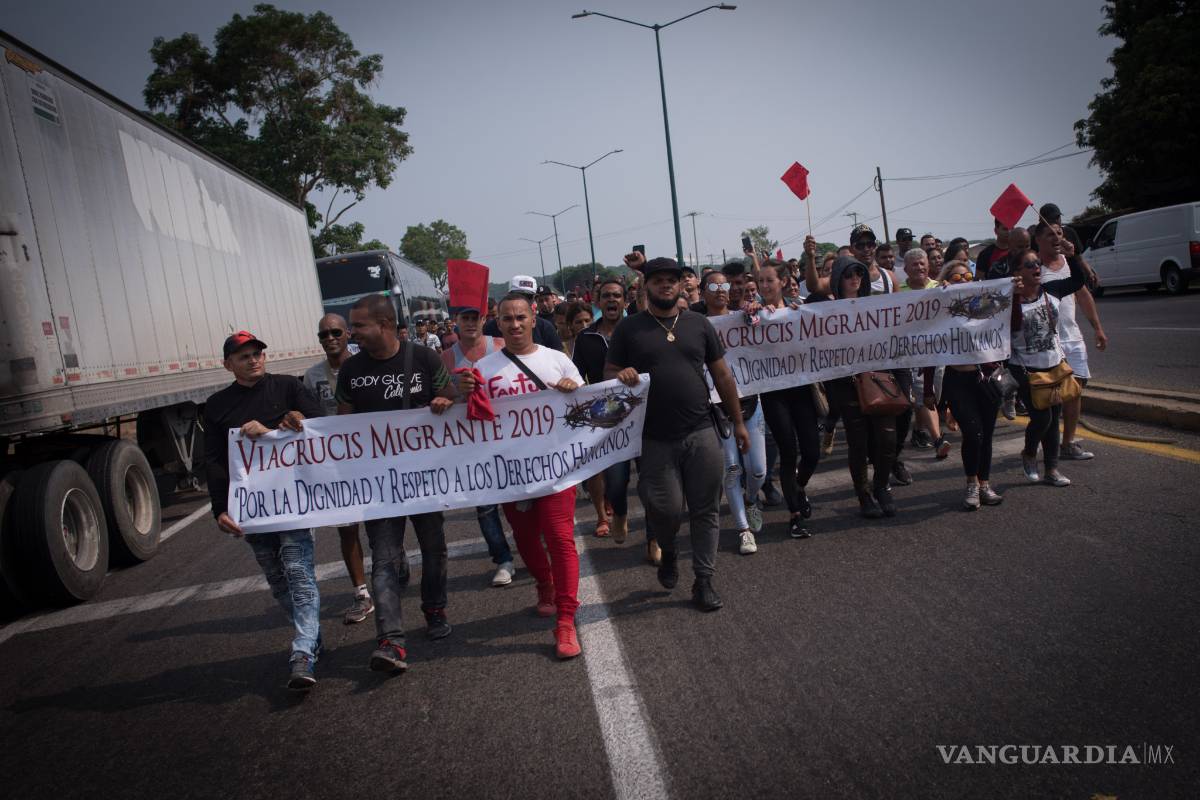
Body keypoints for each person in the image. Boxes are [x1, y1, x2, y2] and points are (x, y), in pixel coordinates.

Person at [606, 254, 749, 612]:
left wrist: (739, 422)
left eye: (672, 279)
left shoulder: (699, 324)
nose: (666, 284)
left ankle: (704, 581)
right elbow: (608, 375)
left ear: (680, 284)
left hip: (701, 431)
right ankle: (668, 551)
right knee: (665, 509)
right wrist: (620, 374)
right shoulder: (629, 328)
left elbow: (722, 376)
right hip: (653, 438)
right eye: (658, 280)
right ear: (646, 286)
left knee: (706, 509)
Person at [337, 294, 457, 674]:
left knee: (434, 549)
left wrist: (443, 399)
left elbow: (451, 394)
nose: (351, 333)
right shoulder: (351, 370)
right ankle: (391, 641)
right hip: (378, 486)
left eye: (358, 326)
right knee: (384, 561)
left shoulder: (423, 358)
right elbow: (341, 426)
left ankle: (434, 610)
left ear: (385, 325)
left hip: (425, 478)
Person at [465, 292, 587, 659]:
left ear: (534, 318)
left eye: (521, 317)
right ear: (497, 323)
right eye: (507, 319)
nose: (515, 325)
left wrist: (574, 388)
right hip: (510, 474)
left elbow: (585, 405)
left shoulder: (557, 360)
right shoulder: (484, 370)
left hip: (555, 469)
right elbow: (469, 424)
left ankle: (565, 621)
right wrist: (457, 395)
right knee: (526, 539)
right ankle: (544, 583)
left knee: (560, 538)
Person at [204, 331, 324, 691]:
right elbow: (212, 459)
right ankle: (312, 636)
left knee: (298, 570)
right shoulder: (216, 405)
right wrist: (220, 510)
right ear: (228, 365)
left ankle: (302, 652)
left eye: (257, 353)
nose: (253, 359)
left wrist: (291, 421)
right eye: (244, 356)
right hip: (252, 510)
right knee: (276, 577)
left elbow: (324, 427)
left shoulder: (289, 387)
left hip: (292, 501)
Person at [804, 244, 900, 518]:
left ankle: (882, 487)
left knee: (887, 439)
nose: (855, 278)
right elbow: (799, 324)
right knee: (858, 442)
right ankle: (864, 494)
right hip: (845, 385)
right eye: (848, 274)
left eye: (859, 273)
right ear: (837, 279)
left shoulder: (879, 305)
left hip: (879, 380)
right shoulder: (822, 309)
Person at [303, 315, 374, 625]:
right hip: (335, 464)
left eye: (335, 332)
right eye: (323, 334)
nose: (329, 338)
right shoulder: (311, 376)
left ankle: (393, 561)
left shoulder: (367, 365)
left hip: (372, 457)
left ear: (348, 333)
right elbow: (306, 418)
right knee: (347, 528)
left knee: (382, 523)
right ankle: (361, 592)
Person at [441, 304, 516, 588]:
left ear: (484, 320)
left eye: (475, 317)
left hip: (509, 436)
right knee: (485, 507)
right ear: (456, 322)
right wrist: (449, 397)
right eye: (465, 318)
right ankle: (503, 559)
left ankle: (531, 550)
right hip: (471, 442)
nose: (471, 323)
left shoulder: (500, 345)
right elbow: (441, 395)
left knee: (521, 499)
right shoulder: (446, 357)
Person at [1008, 244, 1087, 487]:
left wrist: (1073, 257)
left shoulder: (1050, 290)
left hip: (1055, 365)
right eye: (1029, 265)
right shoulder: (1009, 299)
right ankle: (1029, 453)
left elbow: (1078, 280)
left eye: (1037, 264)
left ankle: (1052, 469)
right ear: (1017, 272)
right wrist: (1012, 296)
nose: (1036, 268)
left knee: (1054, 417)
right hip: (1026, 369)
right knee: (1042, 420)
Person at [702, 272, 767, 554]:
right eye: (713, 285)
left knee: (758, 469)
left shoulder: (745, 316)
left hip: (750, 402)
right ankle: (743, 529)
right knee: (731, 468)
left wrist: (763, 310)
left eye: (724, 285)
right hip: (717, 409)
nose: (720, 290)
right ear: (703, 291)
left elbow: (773, 326)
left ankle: (752, 498)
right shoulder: (695, 324)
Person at [1033, 221, 1108, 461]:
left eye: (1059, 233)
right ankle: (1044, 442)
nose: (1056, 238)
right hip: (1048, 342)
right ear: (1038, 240)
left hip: (1072, 337)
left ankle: (1068, 443)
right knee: (1051, 397)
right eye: (1049, 234)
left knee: (1076, 390)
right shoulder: (1033, 268)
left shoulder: (1068, 264)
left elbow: (1083, 295)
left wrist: (1097, 328)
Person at [758, 259, 822, 538]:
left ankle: (798, 487)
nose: (763, 286)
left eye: (768, 280)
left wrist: (801, 316)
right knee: (788, 451)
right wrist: (756, 316)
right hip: (774, 393)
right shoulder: (753, 313)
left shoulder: (800, 307)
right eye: (760, 281)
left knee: (811, 451)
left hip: (801, 389)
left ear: (783, 282)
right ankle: (795, 515)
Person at [934, 260, 1004, 509]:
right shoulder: (941, 306)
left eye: (967, 276)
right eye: (956, 277)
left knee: (986, 435)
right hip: (957, 380)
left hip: (985, 379)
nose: (963, 280)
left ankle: (984, 484)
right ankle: (971, 484)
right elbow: (926, 341)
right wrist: (941, 296)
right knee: (973, 434)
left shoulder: (985, 304)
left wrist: (1012, 288)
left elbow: (1005, 314)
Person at [573, 278, 632, 542]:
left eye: (617, 296)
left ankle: (654, 537)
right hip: (603, 414)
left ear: (624, 301)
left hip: (642, 411)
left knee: (649, 477)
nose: (611, 300)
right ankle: (610, 514)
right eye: (606, 296)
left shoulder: (637, 329)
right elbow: (576, 376)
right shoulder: (586, 337)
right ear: (598, 302)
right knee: (608, 476)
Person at [898, 250, 951, 460]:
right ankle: (938, 439)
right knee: (924, 394)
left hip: (938, 351)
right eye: (914, 265)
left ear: (927, 266)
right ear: (906, 269)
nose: (919, 268)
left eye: (922, 264)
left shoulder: (939, 288)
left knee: (932, 396)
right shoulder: (898, 292)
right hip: (912, 352)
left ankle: (919, 431)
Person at [484, 276, 564, 350]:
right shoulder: (490, 328)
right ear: (508, 295)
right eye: (518, 295)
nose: (522, 300)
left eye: (528, 296)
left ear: (534, 299)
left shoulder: (545, 328)